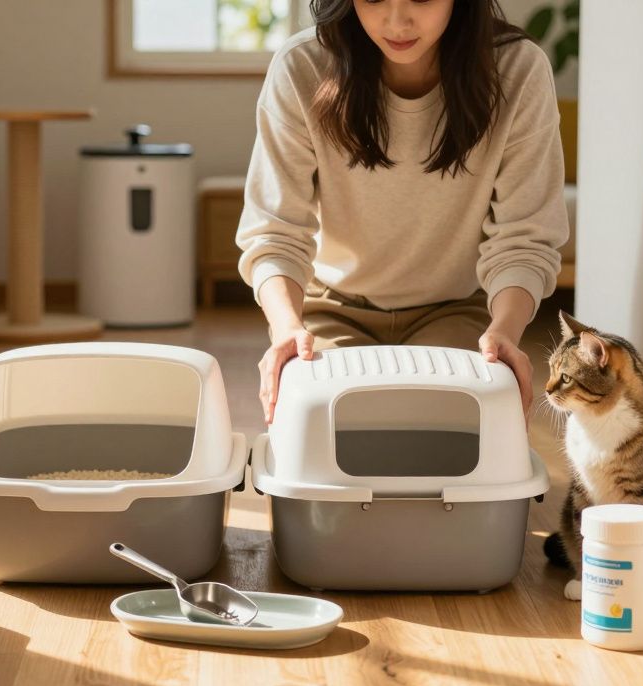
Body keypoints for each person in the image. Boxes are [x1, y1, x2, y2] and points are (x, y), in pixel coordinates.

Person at [236, 0, 568, 424]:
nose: (397, 21)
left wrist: (504, 331)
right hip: (331, 308)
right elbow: (275, 232)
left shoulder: (518, 70)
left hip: (456, 310)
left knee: (452, 435)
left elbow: (526, 237)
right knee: (322, 425)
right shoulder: (303, 66)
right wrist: (286, 328)